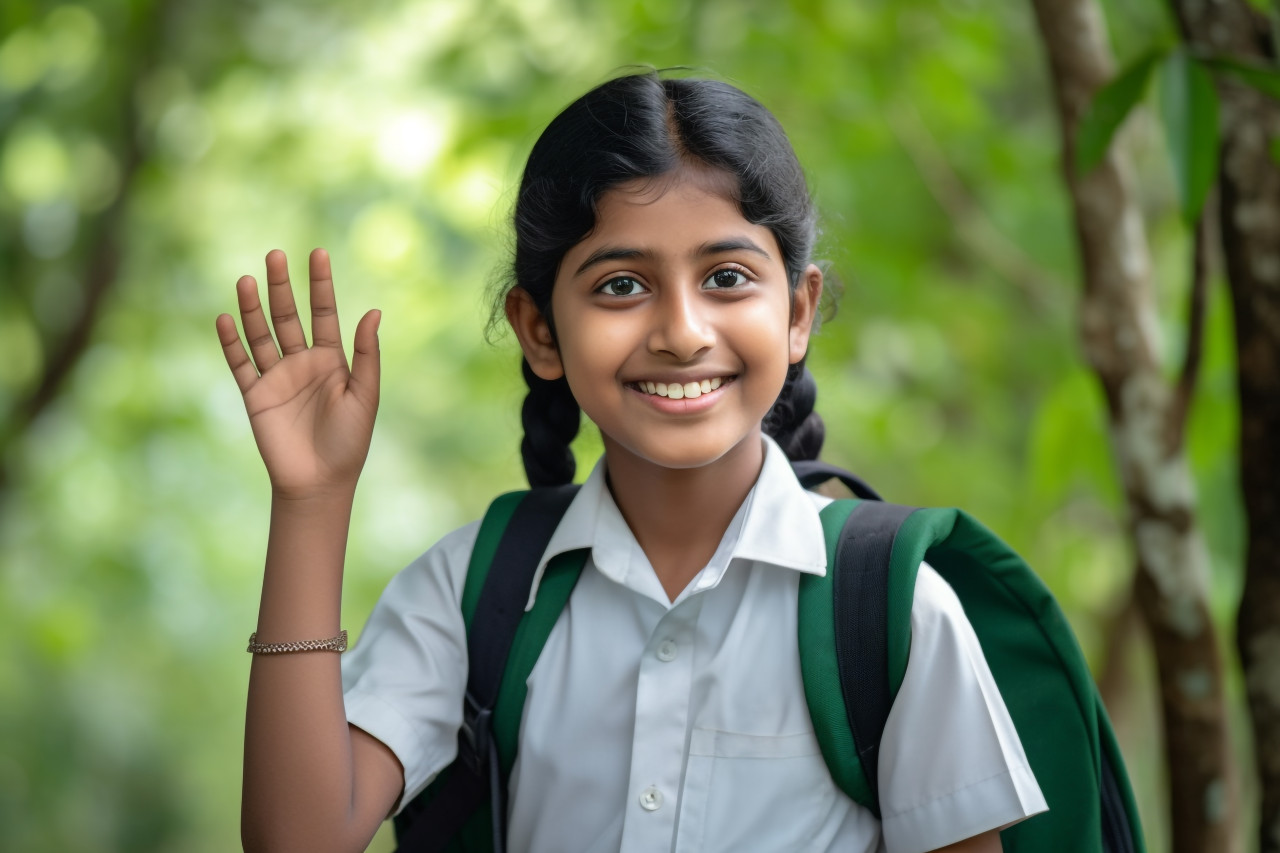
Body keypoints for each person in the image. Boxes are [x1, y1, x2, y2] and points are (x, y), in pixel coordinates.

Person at [217, 70, 1048, 853]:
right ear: (540, 329)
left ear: (798, 311)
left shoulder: (893, 611)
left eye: (726, 276)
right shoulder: (474, 590)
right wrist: (312, 500)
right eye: (621, 285)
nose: (682, 332)